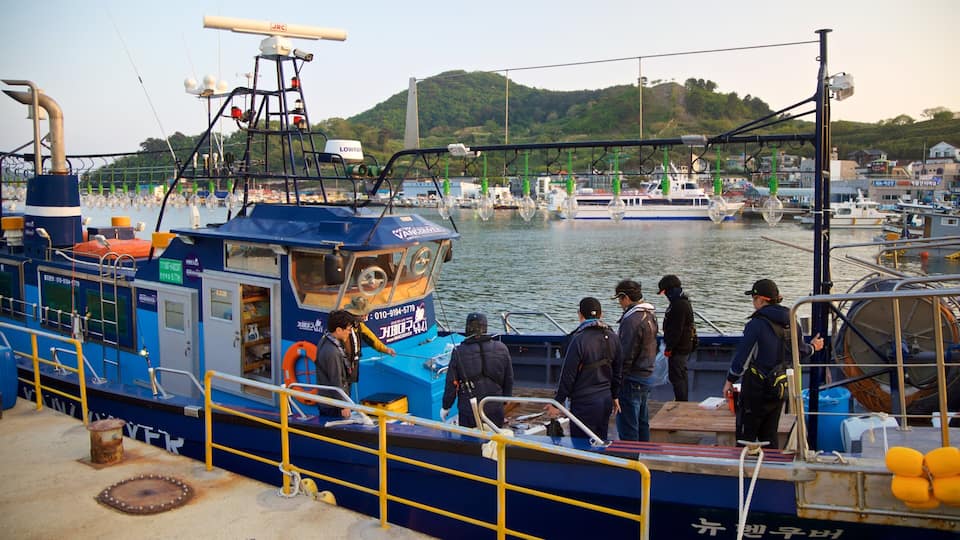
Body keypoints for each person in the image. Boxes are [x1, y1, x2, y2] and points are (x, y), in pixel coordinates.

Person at [722, 279, 824, 448]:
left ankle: (743, 468)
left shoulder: (755, 325)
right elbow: (799, 352)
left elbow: (742, 360)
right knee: (770, 434)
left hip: (756, 390)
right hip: (779, 388)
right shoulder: (792, 321)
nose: (753, 303)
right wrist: (813, 347)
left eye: (754, 299)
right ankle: (771, 466)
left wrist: (729, 381)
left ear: (761, 300)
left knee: (746, 435)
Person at [546, 297, 622, 441]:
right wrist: (615, 396)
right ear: (601, 314)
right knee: (601, 441)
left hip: (584, 402)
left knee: (581, 444)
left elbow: (568, 375)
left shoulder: (578, 339)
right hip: (605, 399)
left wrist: (557, 402)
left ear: (580, 315)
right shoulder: (613, 337)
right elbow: (618, 371)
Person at [440, 313, 514, 428]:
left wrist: (446, 406)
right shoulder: (502, 348)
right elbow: (509, 378)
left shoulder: (459, 351)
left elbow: (452, 384)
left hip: (469, 410)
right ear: (485, 328)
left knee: (469, 441)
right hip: (494, 406)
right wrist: (506, 398)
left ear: (467, 329)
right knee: (494, 440)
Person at [612, 280, 658, 441]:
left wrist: (616, 384)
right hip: (646, 375)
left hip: (631, 379)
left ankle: (630, 461)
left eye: (619, 299)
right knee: (642, 422)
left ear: (624, 297)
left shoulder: (631, 320)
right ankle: (644, 456)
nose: (619, 303)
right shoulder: (650, 315)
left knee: (628, 426)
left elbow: (626, 355)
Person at [343, 297, 397, 388]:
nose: (365, 316)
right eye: (363, 314)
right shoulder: (344, 327)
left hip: (352, 365)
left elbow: (371, 339)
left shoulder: (359, 326)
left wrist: (386, 349)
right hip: (343, 365)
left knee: (348, 388)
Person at [658, 274, 695, 401]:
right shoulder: (681, 302)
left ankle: (681, 401)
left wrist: (669, 347)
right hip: (683, 346)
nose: (666, 296)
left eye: (665, 292)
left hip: (679, 348)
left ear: (670, 290)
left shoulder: (679, 305)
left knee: (677, 376)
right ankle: (682, 399)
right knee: (680, 375)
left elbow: (676, 329)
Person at [314, 310, 356, 419]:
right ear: (338, 330)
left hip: (326, 400)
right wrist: (344, 405)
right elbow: (336, 380)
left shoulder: (324, 340)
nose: (350, 332)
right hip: (333, 405)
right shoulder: (332, 352)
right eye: (348, 329)